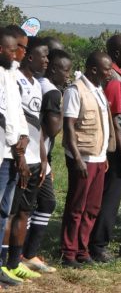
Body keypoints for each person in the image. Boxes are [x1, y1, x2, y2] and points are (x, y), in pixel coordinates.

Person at [60, 51, 114, 268]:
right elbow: (69, 126)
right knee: (76, 207)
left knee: (92, 207)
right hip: (83, 158)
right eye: (106, 68)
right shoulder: (76, 91)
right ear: (93, 69)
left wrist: (104, 155)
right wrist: (78, 159)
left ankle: (83, 250)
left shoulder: (99, 90)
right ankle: (69, 252)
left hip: (99, 158)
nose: (110, 72)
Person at [22, 49, 71, 274]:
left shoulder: (39, 84)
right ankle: (25, 253)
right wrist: (64, 108)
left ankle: (25, 252)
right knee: (41, 203)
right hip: (35, 155)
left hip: (38, 154)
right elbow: (52, 128)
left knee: (34, 205)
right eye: (66, 70)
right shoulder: (52, 92)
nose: (69, 75)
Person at [89, 35, 121, 263]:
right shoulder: (115, 80)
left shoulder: (116, 76)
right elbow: (113, 118)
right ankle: (99, 245)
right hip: (117, 148)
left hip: (114, 146)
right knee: (110, 198)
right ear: (117, 54)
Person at [4, 38, 48, 280]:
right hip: (16, 159)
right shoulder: (16, 81)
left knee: (25, 213)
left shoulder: (36, 84)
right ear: (29, 56)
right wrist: (19, 158)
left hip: (33, 160)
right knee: (10, 213)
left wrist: (43, 159)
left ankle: (15, 261)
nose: (47, 60)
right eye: (43, 56)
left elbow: (36, 126)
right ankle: (4, 261)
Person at [0, 28, 27, 286]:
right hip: (5, 152)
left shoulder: (11, 74)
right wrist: (16, 146)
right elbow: (3, 117)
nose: (16, 54)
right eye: (12, 50)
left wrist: (24, 138)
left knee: (3, 211)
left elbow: (18, 114)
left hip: (11, 154)